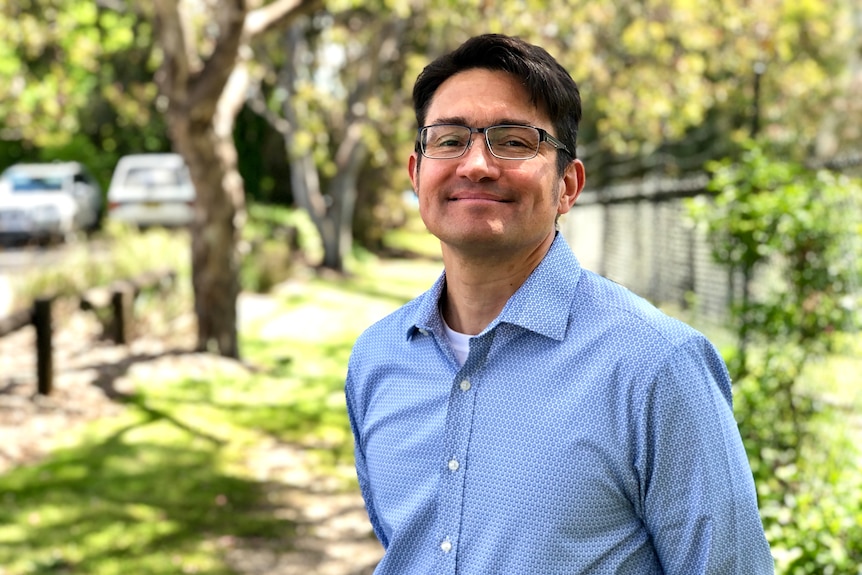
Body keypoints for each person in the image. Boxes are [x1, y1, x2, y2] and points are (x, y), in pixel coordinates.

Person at [345, 33, 774, 574]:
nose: (476, 164)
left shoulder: (657, 368)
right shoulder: (378, 357)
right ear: (417, 173)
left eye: (515, 141)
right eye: (450, 140)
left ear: (567, 186)